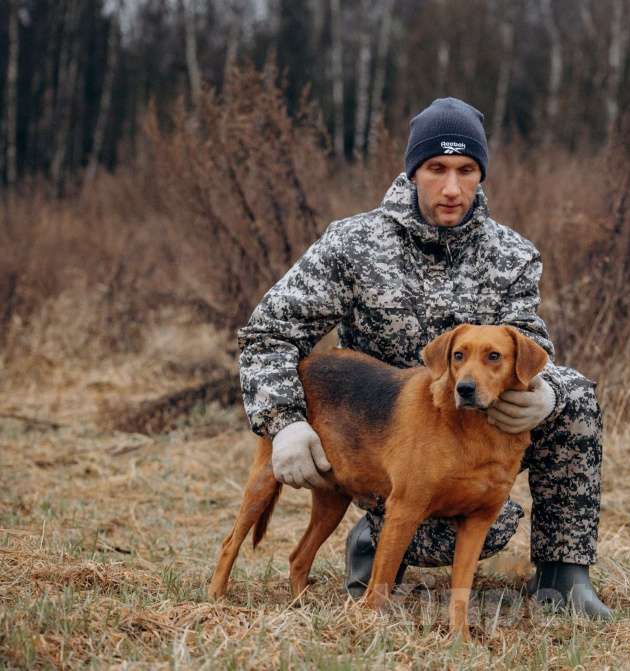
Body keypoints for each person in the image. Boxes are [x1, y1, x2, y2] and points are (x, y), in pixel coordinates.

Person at [237, 97, 611, 618]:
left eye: (466, 170)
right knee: (430, 506)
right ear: (413, 171)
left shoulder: (512, 254)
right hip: (384, 439)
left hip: (473, 434)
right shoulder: (353, 242)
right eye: (436, 169)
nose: (452, 187)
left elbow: (529, 342)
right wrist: (284, 423)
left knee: (576, 399)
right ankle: (375, 537)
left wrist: (544, 395)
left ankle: (564, 577)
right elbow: (268, 333)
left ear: (481, 174)